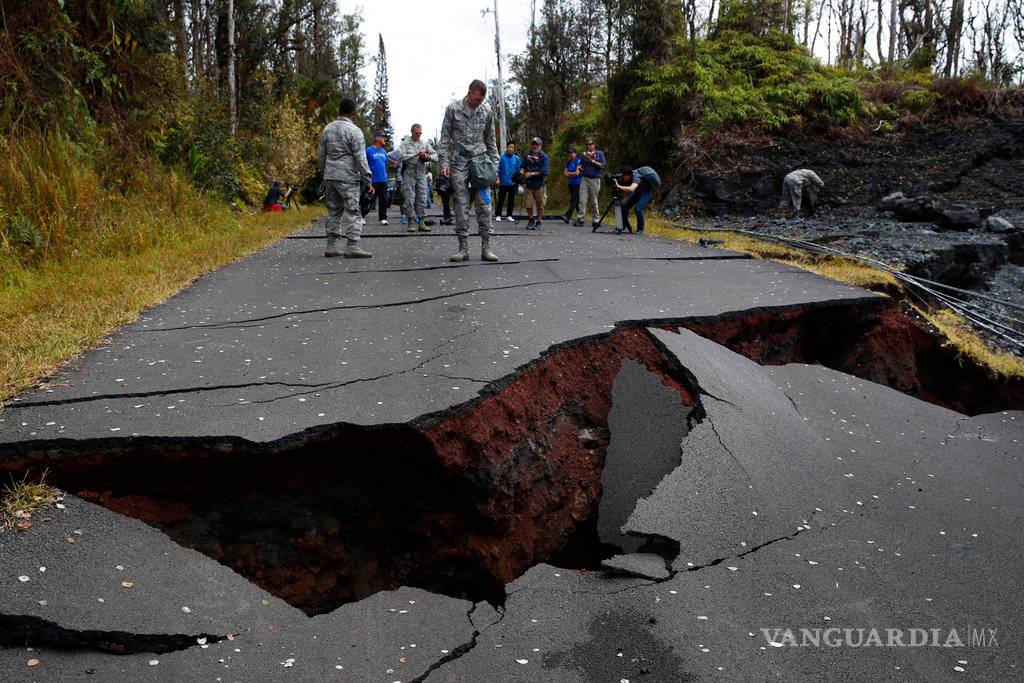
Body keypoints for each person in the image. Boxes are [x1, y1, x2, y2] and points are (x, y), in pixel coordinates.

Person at [439, 79, 500, 262]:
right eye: (476, 99)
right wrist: (444, 163)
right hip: (459, 163)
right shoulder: (453, 109)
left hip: (481, 163)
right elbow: (444, 139)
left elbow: (491, 140)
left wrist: (495, 167)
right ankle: (463, 248)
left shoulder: (486, 112)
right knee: (461, 204)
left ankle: (486, 247)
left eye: (481, 100)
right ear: (469, 93)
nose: (478, 103)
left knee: (484, 204)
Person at [317, 97, 373, 258]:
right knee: (353, 210)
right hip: (347, 176)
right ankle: (352, 245)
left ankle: (331, 245)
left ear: (338, 111)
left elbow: (321, 155)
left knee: (334, 210)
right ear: (354, 113)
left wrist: (324, 172)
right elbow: (360, 158)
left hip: (330, 175)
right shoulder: (354, 131)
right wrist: (367, 179)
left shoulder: (328, 129)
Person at [397, 124, 438, 232]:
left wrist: (428, 157)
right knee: (409, 198)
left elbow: (436, 156)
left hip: (421, 175)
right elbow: (400, 157)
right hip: (409, 175)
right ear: (412, 132)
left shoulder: (424, 144)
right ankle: (410, 222)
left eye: (420, 133)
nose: (419, 135)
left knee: (422, 198)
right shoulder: (405, 143)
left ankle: (421, 222)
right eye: (417, 133)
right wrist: (415, 154)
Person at [613, 165, 661, 234]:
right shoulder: (629, 176)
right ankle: (623, 226)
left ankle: (640, 229)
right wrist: (625, 198)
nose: (624, 178)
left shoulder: (636, 178)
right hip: (639, 189)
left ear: (628, 176)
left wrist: (618, 186)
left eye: (624, 176)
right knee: (625, 207)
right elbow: (626, 187)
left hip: (648, 190)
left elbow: (631, 188)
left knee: (638, 208)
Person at [576, 138, 606, 228]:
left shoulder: (599, 154)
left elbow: (603, 165)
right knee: (582, 200)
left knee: (594, 201)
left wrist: (592, 160)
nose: (588, 146)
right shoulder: (584, 155)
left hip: (595, 179)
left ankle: (596, 220)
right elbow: (580, 165)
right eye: (587, 144)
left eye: (590, 144)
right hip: (585, 179)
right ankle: (580, 219)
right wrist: (579, 168)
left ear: (594, 145)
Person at [521, 137, 549, 230]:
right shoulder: (527, 155)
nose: (535, 146)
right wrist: (522, 171)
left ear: (540, 145)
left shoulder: (544, 156)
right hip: (529, 184)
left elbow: (544, 171)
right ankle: (531, 220)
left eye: (537, 144)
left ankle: (539, 221)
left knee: (540, 204)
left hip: (540, 183)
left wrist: (531, 174)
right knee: (528, 204)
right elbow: (522, 166)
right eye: (534, 144)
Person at [365, 131, 391, 225]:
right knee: (368, 200)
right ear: (377, 138)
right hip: (372, 181)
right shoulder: (368, 150)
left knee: (384, 200)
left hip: (383, 180)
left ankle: (382, 218)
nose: (384, 139)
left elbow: (384, 165)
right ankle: (362, 217)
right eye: (382, 137)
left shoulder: (384, 152)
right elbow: (364, 164)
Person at [495, 141, 522, 223]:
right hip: (503, 181)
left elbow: (519, 170)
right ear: (507, 148)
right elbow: (498, 170)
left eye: (512, 147)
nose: (511, 149)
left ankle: (509, 215)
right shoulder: (501, 158)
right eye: (509, 147)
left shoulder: (516, 159)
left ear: (514, 149)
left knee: (511, 199)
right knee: (501, 199)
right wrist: (497, 179)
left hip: (513, 182)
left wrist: (519, 182)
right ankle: (498, 215)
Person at [562, 147, 583, 224]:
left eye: (572, 153)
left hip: (578, 183)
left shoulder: (578, 161)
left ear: (575, 153)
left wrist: (570, 174)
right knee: (576, 201)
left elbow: (577, 173)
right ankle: (581, 216)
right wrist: (572, 174)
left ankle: (568, 216)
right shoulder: (568, 162)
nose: (570, 154)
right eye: (569, 153)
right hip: (570, 183)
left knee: (573, 200)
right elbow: (565, 173)